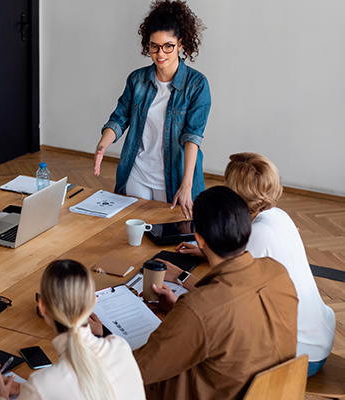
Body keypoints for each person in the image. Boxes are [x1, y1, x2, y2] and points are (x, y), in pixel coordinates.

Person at [167, 152, 335, 377]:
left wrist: (179, 275)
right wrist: (207, 250)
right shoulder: (277, 215)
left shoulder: (257, 233)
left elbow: (220, 295)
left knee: (206, 347)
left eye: (226, 183)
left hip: (301, 354)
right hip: (318, 335)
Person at [126, 186, 297, 399]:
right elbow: (236, 312)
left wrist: (97, 338)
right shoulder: (277, 271)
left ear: (199, 239)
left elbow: (138, 371)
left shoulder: (199, 308)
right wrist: (181, 311)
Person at [94, 0, 211, 219]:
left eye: (168, 46)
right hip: (136, 173)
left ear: (181, 44)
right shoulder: (137, 79)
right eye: (153, 46)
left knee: (169, 236)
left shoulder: (197, 85)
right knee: (131, 231)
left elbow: (192, 138)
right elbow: (119, 119)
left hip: (175, 177)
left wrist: (186, 185)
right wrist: (103, 145)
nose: (160, 53)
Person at [0, 259, 145, 400]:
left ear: (42, 307)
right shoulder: (120, 347)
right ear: (93, 302)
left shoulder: (42, 384)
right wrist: (25, 389)